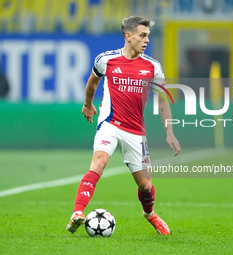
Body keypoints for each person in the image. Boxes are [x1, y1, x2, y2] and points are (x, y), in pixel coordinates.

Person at [66, 16, 181, 235]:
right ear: (128, 36)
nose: (146, 40)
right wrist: (87, 105)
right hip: (110, 123)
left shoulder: (152, 66)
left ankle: (149, 214)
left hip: (136, 131)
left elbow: (161, 101)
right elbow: (92, 82)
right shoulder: (106, 60)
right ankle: (77, 213)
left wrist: (170, 132)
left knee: (146, 186)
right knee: (98, 164)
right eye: (142, 35)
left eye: (148, 36)